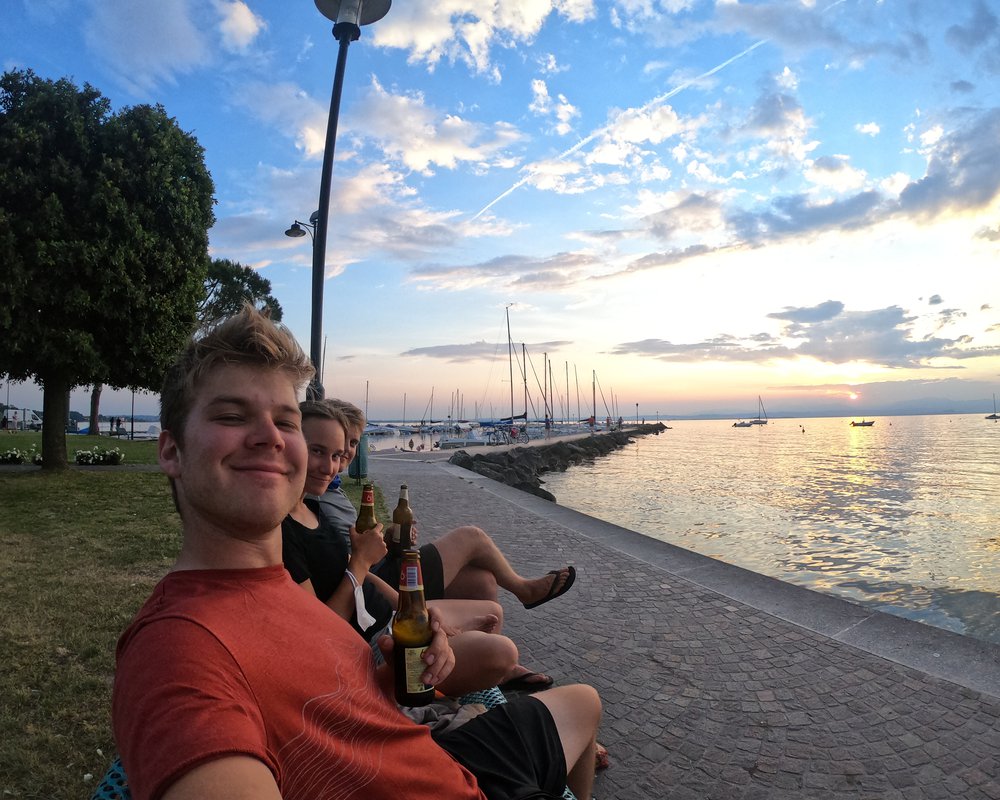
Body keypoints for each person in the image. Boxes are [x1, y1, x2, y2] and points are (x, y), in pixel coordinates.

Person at [112, 306, 601, 800]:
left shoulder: (276, 583)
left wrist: (395, 677)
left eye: (285, 421)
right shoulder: (178, 653)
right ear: (171, 451)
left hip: (443, 759)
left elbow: (321, 706)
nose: (270, 437)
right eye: (232, 416)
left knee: (584, 702)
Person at [321, 400, 575, 691]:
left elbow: (356, 547)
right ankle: (523, 591)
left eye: (353, 443)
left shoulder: (333, 489)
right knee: (472, 537)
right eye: (337, 445)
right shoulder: (318, 495)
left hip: (380, 568)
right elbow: (351, 564)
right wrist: (406, 601)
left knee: (482, 580)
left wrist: (389, 539)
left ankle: (487, 674)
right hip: (376, 582)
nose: (346, 451)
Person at [283, 400, 520, 697]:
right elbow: (319, 631)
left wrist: (412, 608)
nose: (330, 467)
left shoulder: (313, 509)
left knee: (492, 612)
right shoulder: (282, 532)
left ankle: (475, 681)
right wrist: (360, 561)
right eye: (317, 451)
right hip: (373, 645)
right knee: (501, 651)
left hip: (388, 618)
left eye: (337, 455)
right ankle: (457, 688)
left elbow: (361, 574)